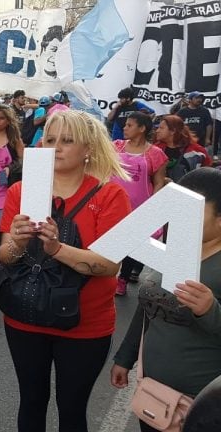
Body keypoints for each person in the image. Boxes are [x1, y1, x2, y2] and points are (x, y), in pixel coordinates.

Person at [0, 110, 131, 431]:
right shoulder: (21, 191)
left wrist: (57, 249)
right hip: (25, 317)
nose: (56, 147)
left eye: (67, 141)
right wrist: (16, 241)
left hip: (85, 325)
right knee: (30, 402)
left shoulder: (112, 195)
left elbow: (111, 264)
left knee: (71, 409)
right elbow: (4, 256)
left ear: (88, 149)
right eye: (51, 140)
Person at [110, 167, 221, 432]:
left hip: (202, 404)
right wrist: (125, 358)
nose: (180, 217)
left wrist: (210, 310)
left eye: (192, 210)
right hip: (153, 394)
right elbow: (149, 308)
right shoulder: (177, 247)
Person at [110, 112, 168, 295]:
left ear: (142, 129)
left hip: (139, 206)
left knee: (131, 244)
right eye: (125, 125)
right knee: (108, 240)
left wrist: (154, 205)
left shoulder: (155, 153)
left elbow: (159, 181)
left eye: (129, 125)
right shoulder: (116, 147)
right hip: (112, 203)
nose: (125, 128)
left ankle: (122, 279)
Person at [153, 114, 211, 182]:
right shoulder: (155, 149)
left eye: (161, 128)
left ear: (173, 131)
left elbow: (207, 173)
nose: (157, 131)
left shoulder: (197, 151)